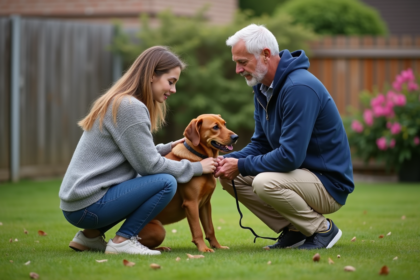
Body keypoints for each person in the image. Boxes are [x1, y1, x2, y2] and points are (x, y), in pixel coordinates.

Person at [59, 46, 218, 255]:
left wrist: (169, 147)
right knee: (165, 182)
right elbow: (149, 165)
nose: (173, 89)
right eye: (170, 82)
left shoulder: (121, 101)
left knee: (154, 181)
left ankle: (89, 237)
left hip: (79, 203)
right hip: (88, 205)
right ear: (152, 75)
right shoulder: (130, 107)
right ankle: (123, 241)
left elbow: (136, 153)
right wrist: (197, 167)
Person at [215, 24, 354, 250]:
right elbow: (260, 144)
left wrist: (240, 164)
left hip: (329, 183)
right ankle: (295, 230)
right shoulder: (262, 89)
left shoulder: (299, 87)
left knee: (264, 182)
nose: (238, 70)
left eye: (242, 62)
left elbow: (290, 157)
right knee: (231, 176)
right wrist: (226, 161)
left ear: (266, 55)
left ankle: (323, 230)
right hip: (300, 176)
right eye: (236, 63)